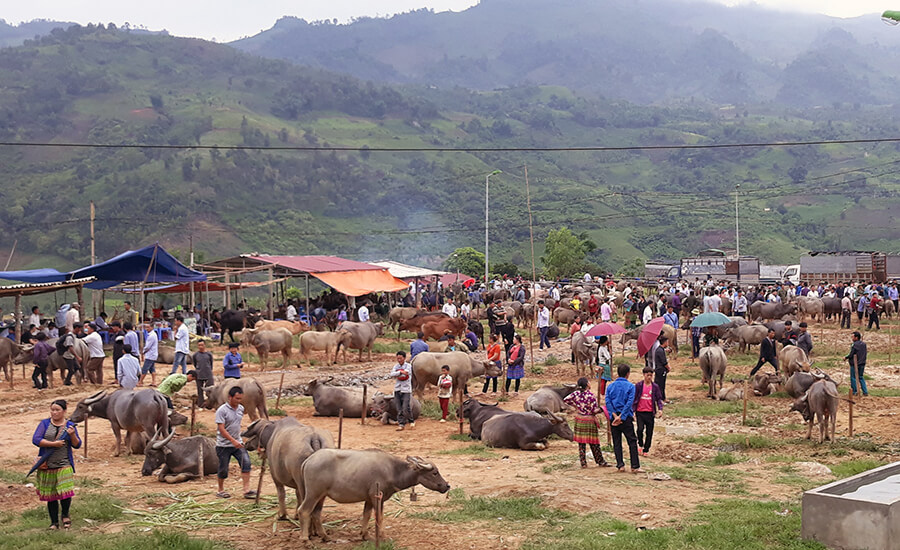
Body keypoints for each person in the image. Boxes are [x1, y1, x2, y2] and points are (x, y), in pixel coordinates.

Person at [32, 399, 81, 530]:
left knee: (65, 492)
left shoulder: (70, 426)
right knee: (51, 495)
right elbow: (36, 439)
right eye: (52, 410)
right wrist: (53, 444)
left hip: (64, 463)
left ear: (64, 411)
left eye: (57, 410)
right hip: (47, 465)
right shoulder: (45, 423)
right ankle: (54, 522)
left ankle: (65, 515)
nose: (54, 413)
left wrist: (72, 436)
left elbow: (77, 444)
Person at [215, 386, 254, 499]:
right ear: (230, 397)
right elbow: (221, 429)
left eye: (240, 399)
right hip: (223, 445)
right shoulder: (222, 410)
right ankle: (220, 490)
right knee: (223, 468)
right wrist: (232, 440)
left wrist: (239, 439)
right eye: (237, 398)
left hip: (238, 443)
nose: (239, 401)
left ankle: (246, 490)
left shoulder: (240, 409)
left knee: (246, 464)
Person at [563, 377, 609, 468]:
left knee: (581, 442)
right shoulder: (591, 396)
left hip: (580, 419)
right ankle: (600, 461)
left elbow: (566, 400)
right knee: (594, 442)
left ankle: (583, 463)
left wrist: (576, 406)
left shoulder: (575, 394)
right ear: (587, 384)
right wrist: (602, 409)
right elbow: (593, 410)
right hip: (589, 420)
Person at [605, 363, 642, 474]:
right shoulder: (631, 386)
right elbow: (629, 403)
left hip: (614, 418)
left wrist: (615, 416)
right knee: (632, 441)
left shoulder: (610, 386)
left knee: (617, 441)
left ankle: (620, 465)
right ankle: (634, 466)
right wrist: (622, 416)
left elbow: (608, 402)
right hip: (626, 418)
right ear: (628, 374)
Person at [633, 366, 664, 456]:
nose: (649, 377)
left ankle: (646, 449)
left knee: (649, 432)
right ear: (644, 375)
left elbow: (658, 399)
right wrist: (633, 411)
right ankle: (640, 444)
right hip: (640, 412)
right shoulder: (638, 386)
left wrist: (660, 409)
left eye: (651, 375)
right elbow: (634, 399)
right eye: (647, 375)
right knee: (640, 429)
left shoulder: (655, 387)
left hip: (650, 413)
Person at [390, 351, 414, 431]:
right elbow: (392, 374)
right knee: (399, 408)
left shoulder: (408, 366)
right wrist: (400, 372)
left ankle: (411, 420)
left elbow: (406, 373)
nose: (399, 360)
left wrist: (398, 373)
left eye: (400, 358)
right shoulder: (396, 366)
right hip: (397, 388)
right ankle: (401, 423)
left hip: (406, 390)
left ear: (404, 358)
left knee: (405, 407)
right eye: (398, 358)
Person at [647, 335, 670, 402]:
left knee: (662, 384)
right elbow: (664, 362)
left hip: (659, 370)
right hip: (660, 370)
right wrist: (668, 367)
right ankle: (659, 399)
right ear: (664, 342)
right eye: (667, 342)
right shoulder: (660, 351)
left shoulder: (660, 349)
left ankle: (663, 398)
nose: (668, 343)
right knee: (660, 385)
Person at [846, 331, 868, 397]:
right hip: (862, 363)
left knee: (853, 377)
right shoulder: (864, 344)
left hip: (855, 364)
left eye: (853, 337)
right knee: (861, 377)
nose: (852, 338)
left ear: (856, 337)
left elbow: (851, 354)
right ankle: (865, 391)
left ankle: (855, 391)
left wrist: (846, 357)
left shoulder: (854, 345)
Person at [193, 340, 214, 404]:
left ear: (205, 345)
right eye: (199, 345)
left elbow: (211, 363)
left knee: (210, 389)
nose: (200, 347)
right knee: (200, 390)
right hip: (199, 374)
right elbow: (195, 363)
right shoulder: (195, 355)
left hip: (208, 374)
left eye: (202, 345)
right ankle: (200, 404)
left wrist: (209, 370)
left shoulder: (209, 354)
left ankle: (210, 403)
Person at [140, 321, 159, 387]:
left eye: (148, 327)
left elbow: (148, 346)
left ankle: (140, 381)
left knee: (145, 369)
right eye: (146, 327)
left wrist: (143, 352)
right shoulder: (152, 334)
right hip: (153, 354)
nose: (146, 329)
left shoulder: (151, 336)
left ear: (152, 327)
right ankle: (154, 381)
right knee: (152, 369)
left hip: (150, 355)